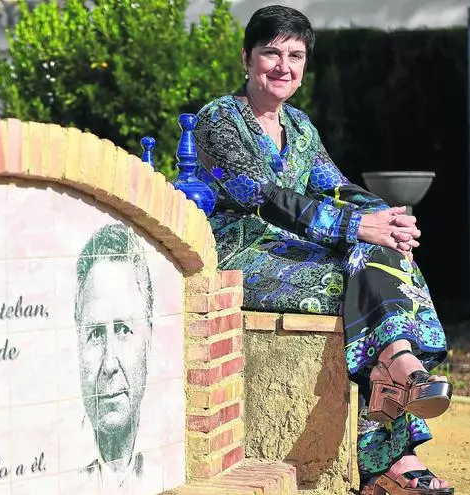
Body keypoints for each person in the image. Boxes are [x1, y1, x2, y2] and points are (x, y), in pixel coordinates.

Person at [193, 6, 453, 494]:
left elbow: (337, 188)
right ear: (246, 58)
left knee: (380, 257)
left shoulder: (300, 126)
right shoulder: (219, 119)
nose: (283, 66)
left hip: (295, 250)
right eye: (271, 53)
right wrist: (360, 226)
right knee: (369, 274)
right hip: (240, 254)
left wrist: (387, 218)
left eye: (295, 56)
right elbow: (265, 197)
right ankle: (391, 458)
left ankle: (396, 369)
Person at [74, 223, 153, 489]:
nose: (109, 364)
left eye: (123, 330)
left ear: (149, 339)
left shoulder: (165, 461)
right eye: (95, 334)